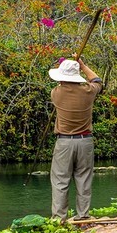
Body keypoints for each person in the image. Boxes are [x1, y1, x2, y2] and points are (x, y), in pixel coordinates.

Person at [48, 57, 103, 222]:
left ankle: (59, 218)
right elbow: (97, 80)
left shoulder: (56, 93)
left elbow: (61, 84)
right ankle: (83, 215)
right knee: (84, 179)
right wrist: (83, 66)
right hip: (85, 141)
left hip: (64, 142)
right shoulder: (89, 91)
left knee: (60, 181)